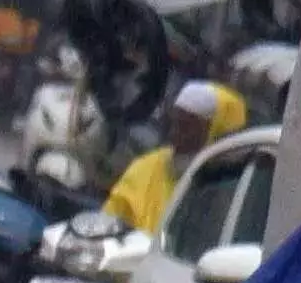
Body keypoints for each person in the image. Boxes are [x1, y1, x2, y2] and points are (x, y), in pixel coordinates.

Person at [105, 80, 248, 234]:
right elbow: (110, 220)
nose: (174, 135)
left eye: (186, 127)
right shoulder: (145, 167)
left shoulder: (226, 184)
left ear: (209, 130)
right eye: (174, 124)